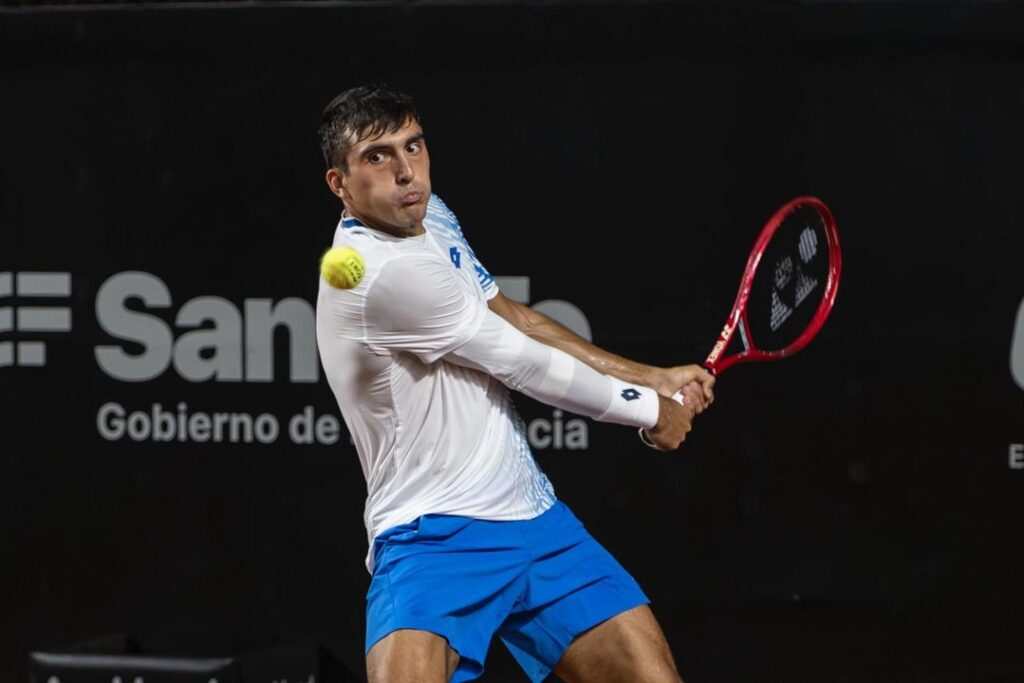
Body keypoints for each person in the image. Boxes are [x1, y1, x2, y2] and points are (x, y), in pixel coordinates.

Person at [315, 84, 715, 683]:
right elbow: (521, 363)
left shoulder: (434, 216)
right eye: (378, 156)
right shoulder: (383, 272)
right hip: (434, 535)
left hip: (536, 521)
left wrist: (649, 375)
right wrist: (646, 409)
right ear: (339, 184)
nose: (406, 171)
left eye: (414, 146)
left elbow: (513, 317)